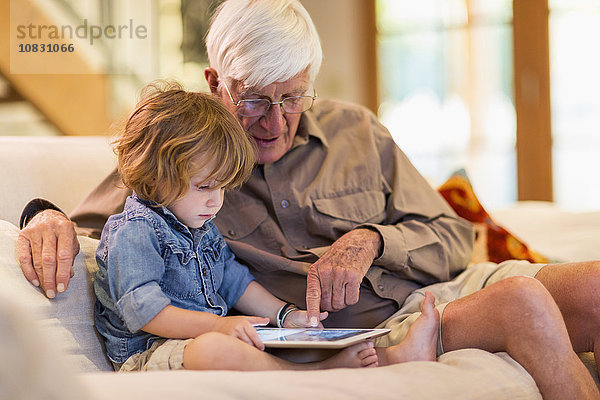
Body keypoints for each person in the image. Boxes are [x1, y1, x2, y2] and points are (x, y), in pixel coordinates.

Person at [15, 0, 600, 397]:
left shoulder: (356, 129)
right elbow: (97, 225)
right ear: (216, 83)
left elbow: (454, 236)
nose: (275, 123)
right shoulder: (186, 155)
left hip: (434, 290)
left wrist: (371, 241)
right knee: (523, 304)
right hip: (359, 334)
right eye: (253, 101)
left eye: (292, 98)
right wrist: (41, 216)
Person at [94, 82, 439, 372]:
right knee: (215, 349)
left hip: (200, 340)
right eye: (204, 187)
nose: (216, 202)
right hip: (150, 353)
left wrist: (285, 315)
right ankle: (313, 374)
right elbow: (144, 311)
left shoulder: (200, 226)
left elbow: (234, 280)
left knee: (238, 342)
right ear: (157, 176)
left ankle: (365, 361)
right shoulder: (136, 230)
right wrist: (217, 325)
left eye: (222, 188)